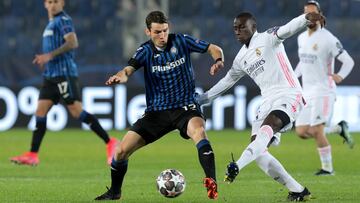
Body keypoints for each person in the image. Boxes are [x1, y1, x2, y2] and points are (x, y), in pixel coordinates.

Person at [94, 11, 224, 200]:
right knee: (121, 151)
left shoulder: (181, 41)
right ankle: (115, 192)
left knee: (199, 132)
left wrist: (218, 60)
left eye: (164, 30)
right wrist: (121, 76)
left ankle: (211, 182)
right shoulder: (145, 51)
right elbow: (128, 69)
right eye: (157, 32)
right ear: (148, 32)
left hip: (185, 106)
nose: (162, 36)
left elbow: (214, 48)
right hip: (157, 112)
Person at [197, 12, 325, 201]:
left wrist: (306, 17)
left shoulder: (268, 38)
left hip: (289, 94)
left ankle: (237, 165)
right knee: (259, 152)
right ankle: (298, 190)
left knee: (268, 128)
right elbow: (227, 81)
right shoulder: (241, 57)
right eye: (235, 28)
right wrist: (204, 98)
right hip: (267, 101)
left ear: (253, 27)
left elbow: (288, 28)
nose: (238, 31)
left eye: (242, 27)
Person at [10, 0, 117, 166]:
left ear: (62, 3)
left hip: (64, 74)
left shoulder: (63, 20)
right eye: (50, 2)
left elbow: (73, 42)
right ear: (45, 4)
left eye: (56, 1)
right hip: (50, 76)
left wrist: (49, 56)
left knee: (76, 112)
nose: (53, 5)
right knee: (40, 111)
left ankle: (110, 142)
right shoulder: (50, 24)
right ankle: (32, 154)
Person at [294, 0, 355, 176]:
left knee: (317, 130)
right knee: (302, 131)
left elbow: (348, 61)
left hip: (323, 91)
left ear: (320, 15)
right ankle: (338, 129)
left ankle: (328, 169)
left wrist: (340, 75)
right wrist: (292, 77)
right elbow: (303, 62)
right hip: (307, 91)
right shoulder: (301, 37)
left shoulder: (328, 39)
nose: (310, 17)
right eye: (307, 14)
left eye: (313, 14)